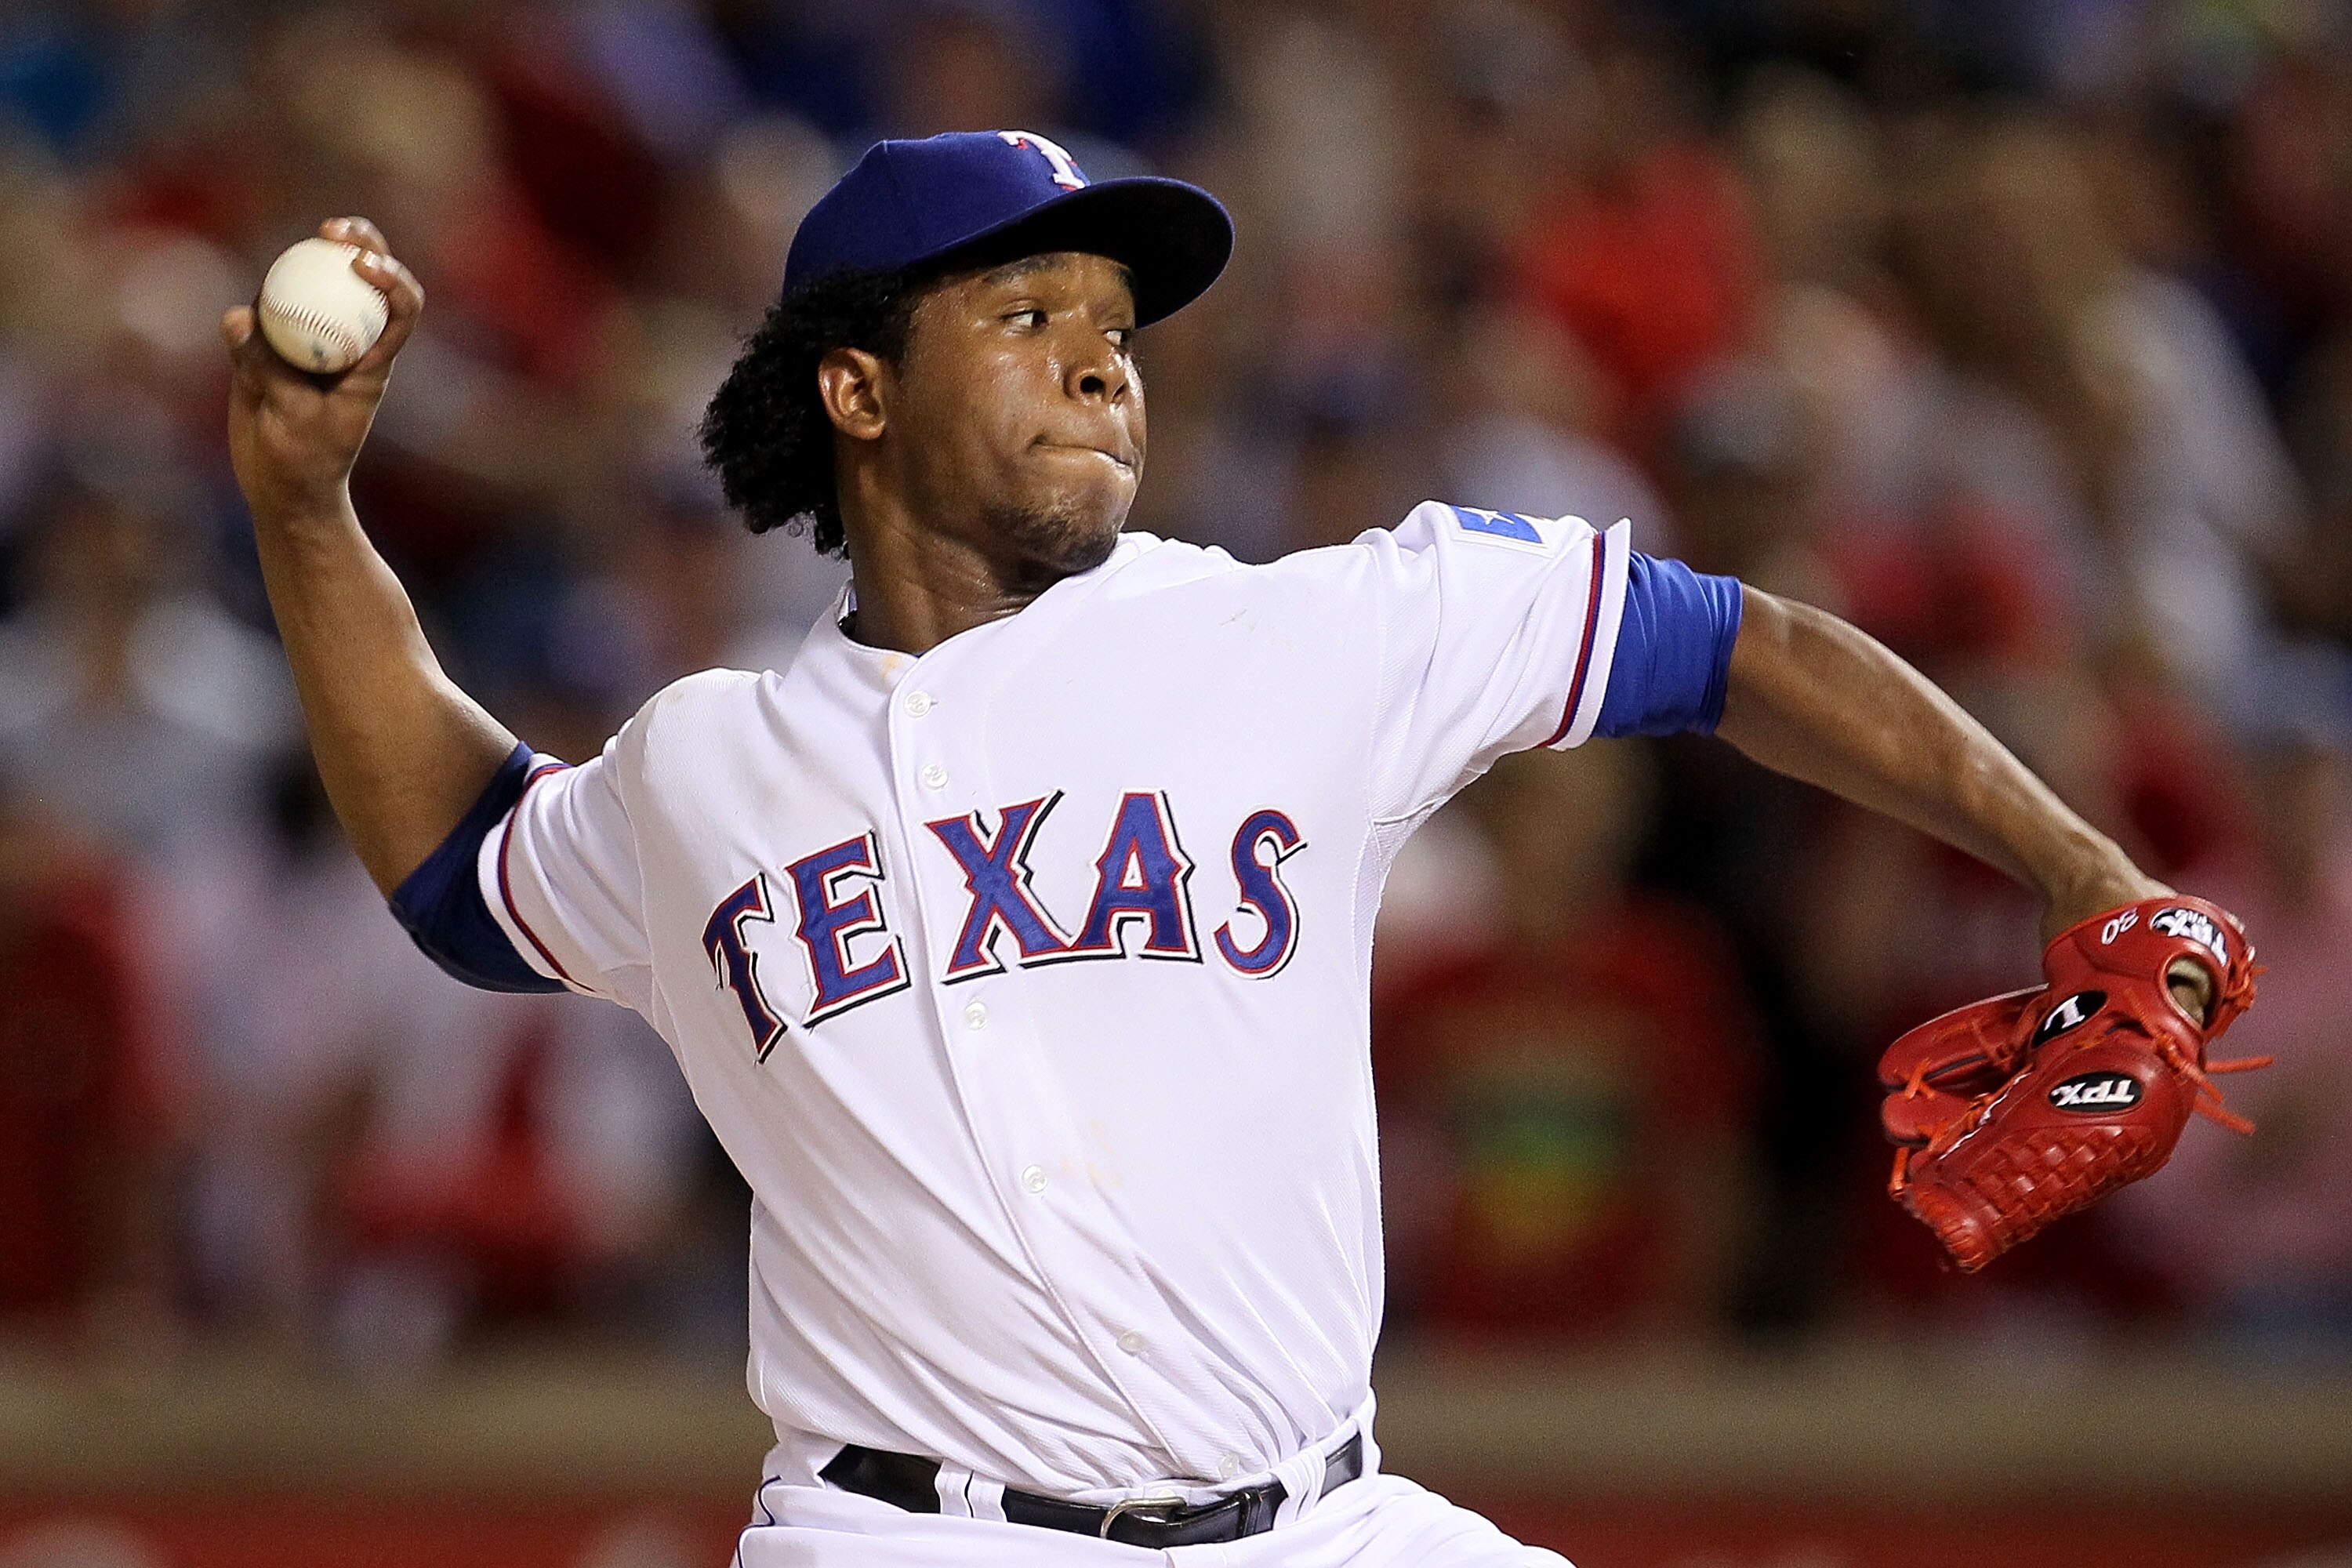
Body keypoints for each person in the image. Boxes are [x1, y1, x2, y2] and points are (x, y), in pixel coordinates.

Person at [220, 130, 2206, 1566]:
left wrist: (2072, 862)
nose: (1106, 360)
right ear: (857, 392)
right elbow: (465, 874)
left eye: (1118, 325)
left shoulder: (1301, 630)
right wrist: (308, 517)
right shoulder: (707, 761)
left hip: (1329, 1522)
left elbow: (1726, 643)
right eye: (1028, 314)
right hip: (918, 1543)